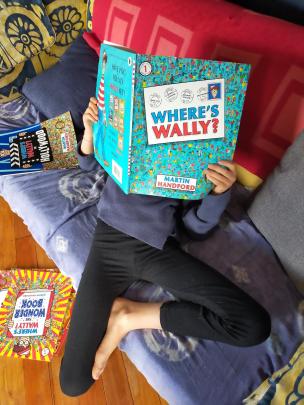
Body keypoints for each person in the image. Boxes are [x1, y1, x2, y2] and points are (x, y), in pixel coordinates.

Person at [60, 97, 271, 397]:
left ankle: (129, 316)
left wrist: (220, 193)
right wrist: (91, 134)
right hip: (109, 243)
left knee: (253, 326)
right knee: (73, 383)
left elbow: (194, 230)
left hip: (156, 248)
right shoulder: (129, 119)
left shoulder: (200, 147)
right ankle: (124, 316)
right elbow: (89, 165)